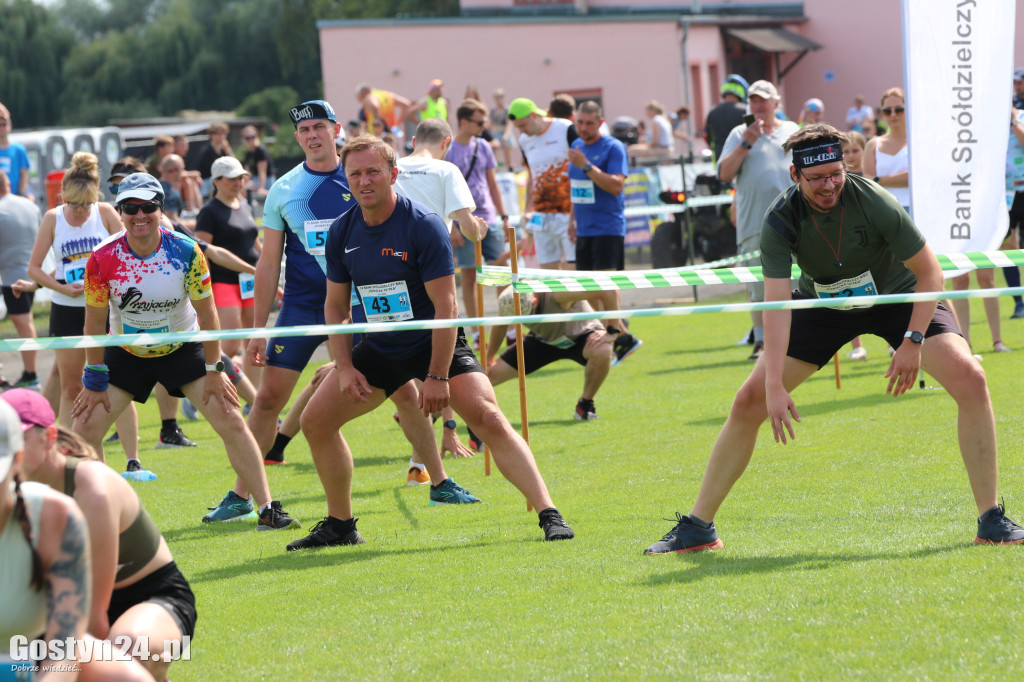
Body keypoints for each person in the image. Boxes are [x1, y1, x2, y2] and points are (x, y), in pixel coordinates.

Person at [644, 123, 1024, 554]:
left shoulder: (873, 200)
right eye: (817, 178)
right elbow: (776, 305)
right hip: (821, 304)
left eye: (835, 173)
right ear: (794, 176)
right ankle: (698, 528)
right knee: (747, 402)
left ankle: (991, 519)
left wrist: (912, 341)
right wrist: (771, 385)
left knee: (971, 377)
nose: (829, 185)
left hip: (896, 296)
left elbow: (930, 273)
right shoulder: (780, 219)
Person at [288, 135, 575, 550]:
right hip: (383, 346)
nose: (364, 181)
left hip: (435, 343)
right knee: (315, 421)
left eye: (373, 171)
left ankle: (550, 513)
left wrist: (437, 377)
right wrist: (346, 366)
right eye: (355, 173)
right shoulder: (341, 231)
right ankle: (341, 524)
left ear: (393, 175)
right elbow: (335, 307)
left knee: (488, 417)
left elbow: (447, 308)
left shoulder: (423, 225)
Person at [71, 172, 300, 532]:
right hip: (127, 352)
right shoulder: (103, 259)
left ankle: (266, 508)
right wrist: (93, 378)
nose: (140, 215)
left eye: (149, 207)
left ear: (162, 210)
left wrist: (215, 369)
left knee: (232, 420)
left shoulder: (184, 250)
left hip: (184, 348)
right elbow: (93, 325)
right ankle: (101, 516)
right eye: (131, 208)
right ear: (120, 211)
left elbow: (208, 315)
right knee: (83, 430)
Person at [6, 388, 195, 681]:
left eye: (17, 438)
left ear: (49, 438)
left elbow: (94, 618)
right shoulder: (10, 493)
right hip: (58, 601)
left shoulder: (93, 489)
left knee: (128, 647)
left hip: (150, 599)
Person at [26, 152, 142, 470]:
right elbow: (35, 268)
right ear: (64, 196)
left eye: (86, 205)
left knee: (116, 381)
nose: (80, 211)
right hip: (66, 308)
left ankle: (133, 460)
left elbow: (129, 250)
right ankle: (69, 455)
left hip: (103, 309)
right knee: (71, 385)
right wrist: (62, 288)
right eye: (75, 205)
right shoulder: (52, 218)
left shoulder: (104, 213)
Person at [718, 80, 800, 360]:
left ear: (776, 103)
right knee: (758, 286)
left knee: (798, 283)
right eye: (753, 100)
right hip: (754, 222)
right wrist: (746, 143)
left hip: (795, 221)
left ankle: (799, 338)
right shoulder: (738, 133)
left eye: (763, 100)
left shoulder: (791, 130)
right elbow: (724, 174)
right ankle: (762, 342)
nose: (758, 105)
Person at [565, 101, 643, 367]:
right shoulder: (577, 148)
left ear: (599, 123)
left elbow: (616, 186)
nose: (584, 128)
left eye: (589, 123)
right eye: (580, 123)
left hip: (608, 226)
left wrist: (587, 166)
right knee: (589, 291)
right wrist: (572, 219)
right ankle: (621, 336)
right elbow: (577, 187)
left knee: (606, 284)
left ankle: (615, 335)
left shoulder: (612, 147)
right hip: (584, 228)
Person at [489, 288, 614, 420]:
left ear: (535, 301)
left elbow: (609, 292)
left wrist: (612, 330)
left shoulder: (559, 294)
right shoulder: (508, 301)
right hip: (542, 340)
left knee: (603, 349)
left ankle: (585, 404)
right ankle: (476, 418)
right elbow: (501, 325)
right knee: (488, 374)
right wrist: (488, 357)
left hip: (582, 336)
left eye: (527, 315)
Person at [446, 98, 511, 345]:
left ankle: (510, 329)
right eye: (479, 122)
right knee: (470, 276)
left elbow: (492, 184)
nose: (483, 126)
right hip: (464, 220)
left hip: (489, 217)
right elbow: (444, 191)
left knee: (501, 273)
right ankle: (476, 332)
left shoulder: (483, 146)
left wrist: (504, 217)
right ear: (464, 122)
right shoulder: (449, 149)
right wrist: (452, 226)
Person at [195, 156, 261, 381]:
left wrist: (268, 270)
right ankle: (204, 385)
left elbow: (254, 242)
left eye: (240, 178)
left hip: (251, 280)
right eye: (232, 179)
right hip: (223, 281)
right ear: (216, 181)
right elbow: (201, 253)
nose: (238, 183)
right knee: (230, 345)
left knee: (254, 342)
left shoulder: (244, 205)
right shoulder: (209, 211)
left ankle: (254, 401)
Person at [509, 97, 578, 270]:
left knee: (574, 272)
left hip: (568, 213)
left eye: (523, 125)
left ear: (534, 115)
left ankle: (579, 299)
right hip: (541, 216)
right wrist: (528, 209)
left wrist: (577, 213)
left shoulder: (564, 128)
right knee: (548, 276)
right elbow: (532, 175)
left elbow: (581, 166)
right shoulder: (525, 141)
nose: (521, 132)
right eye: (517, 128)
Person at [0, 169, 41, 388]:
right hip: (31, 273)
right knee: (25, 322)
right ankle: (29, 373)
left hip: (11, 277)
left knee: (24, 324)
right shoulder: (30, 205)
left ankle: (31, 375)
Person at [862, 87, 909, 211]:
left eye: (899, 110)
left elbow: (915, 177)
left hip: (915, 209)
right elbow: (868, 182)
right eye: (887, 111)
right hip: (883, 211)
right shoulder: (873, 144)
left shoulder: (917, 143)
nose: (893, 114)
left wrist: (878, 179)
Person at [704, 74, 748, 169]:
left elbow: (707, 137)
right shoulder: (746, 111)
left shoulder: (712, 112)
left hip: (720, 162)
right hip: (743, 162)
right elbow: (756, 133)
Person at [1006, 95, 1024, 320]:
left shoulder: (1021, 117)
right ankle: (1019, 302)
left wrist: (1012, 122)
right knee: (1009, 249)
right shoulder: (989, 125)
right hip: (1005, 195)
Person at [0, 102, 35, 200]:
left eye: (4, 124)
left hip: (16, 194)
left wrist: (20, 195)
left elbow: (24, 175)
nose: (2, 127)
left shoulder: (19, 149)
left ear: (10, 126)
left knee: (31, 198)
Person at [195, 122, 234, 199]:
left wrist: (229, 151)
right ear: (212, 135)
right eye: (218, 134)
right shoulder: (206, 151)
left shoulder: (224, 150)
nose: (221, 137)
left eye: (223, 134)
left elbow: (234, 166)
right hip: (207, 182)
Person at [240, 125, 276, 196]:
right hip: (256, 179)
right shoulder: (248, 153)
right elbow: (247, 172)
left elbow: (262, 171)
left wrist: (261, 188)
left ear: (257, 136)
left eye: (253, 137)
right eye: (248, 138)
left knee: (247, 188)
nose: (251, 140)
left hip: (267, 180)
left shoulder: (261, 150)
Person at [490, 88, 516, 169]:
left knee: (507, 154)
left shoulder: (507, 110)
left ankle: (510, 168)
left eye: (500, 97)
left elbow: (510, 123)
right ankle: (497, 169)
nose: (498, 100)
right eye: (497, 98)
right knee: (495, 154)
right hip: (496, 132)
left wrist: (507, 134)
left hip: (505, 132)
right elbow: (490, 123)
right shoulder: (493, 110)